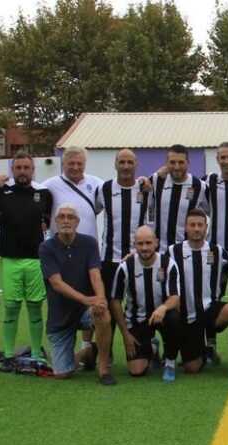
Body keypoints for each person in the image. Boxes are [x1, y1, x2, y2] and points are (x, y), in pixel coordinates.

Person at [0, 152, 53, 365]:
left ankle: (36, 354)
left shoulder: (43, 193)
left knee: (35, 307)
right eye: (18, 168)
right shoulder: (1, 191)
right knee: (12, 307)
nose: (22, 171)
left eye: (26, 167)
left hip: (35, 259)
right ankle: (8, 354)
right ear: (12, 170)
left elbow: (49, 220)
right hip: (10, 258)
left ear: (33, 170)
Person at [168, 209, 228, 379]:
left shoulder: (216, 251)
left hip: (210, 309)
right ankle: (205, 351)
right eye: (192, 225)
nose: (196, 229)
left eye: (200, 225)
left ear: (206, 228)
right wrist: (131, 258)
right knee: (192, 368)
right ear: (185, 228)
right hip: (187, 315)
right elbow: (155, 264)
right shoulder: (173, 251)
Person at [39, 204, 115, 385]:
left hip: (84, 312)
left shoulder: (89, 243)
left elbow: (95, 274)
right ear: (55, 222)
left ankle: (103, 369)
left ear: (78, 222)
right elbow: (56, 283)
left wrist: (100, 300)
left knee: (103, 314)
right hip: (60, 318)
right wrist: (87, 299)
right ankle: (87, 352)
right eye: (62, 217)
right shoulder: (46, 248)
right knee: (62, 374)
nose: (66, 221)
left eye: (70, 217)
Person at [95, 149, 150, 363]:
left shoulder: (145, 189)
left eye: (130, 162)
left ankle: (146, 349)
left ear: (136, 165)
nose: (126, 166)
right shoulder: (104, 189)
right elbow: (92, 211)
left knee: (142, 306)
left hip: (139, 260)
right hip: (110, 259)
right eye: (122, 162)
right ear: (115, 164)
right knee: (108, 307)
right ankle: (106, 354)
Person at [109, 226, 182, 381]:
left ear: (156, 242)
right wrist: (126, 334)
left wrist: (163, 308)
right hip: (137, 319)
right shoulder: (125, 267)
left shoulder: (168, 264)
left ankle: (169, 363)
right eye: (140, 243)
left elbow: (175, 298)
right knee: (136, 371)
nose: (144, 248)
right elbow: (115, 302)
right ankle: (152, 348)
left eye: (148, 243)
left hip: (162, 317)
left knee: (174, 318)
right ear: (134, 244)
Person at [150, 144, 208, 252]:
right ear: (166, 162)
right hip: (161, 251)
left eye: (181, 162)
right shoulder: (156, 180)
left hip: (187, 253)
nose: (176, 167)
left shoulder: (199, 186)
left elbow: (212, 212)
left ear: (188, 163)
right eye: (172, 162)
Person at [43, 146, 103, 239]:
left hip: (88, 245)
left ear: (85, 164)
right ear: (63, 164)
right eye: (71, 163)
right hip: (59, 245)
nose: (75, 167)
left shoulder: (97, 184)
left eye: (79, 163)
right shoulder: (49, 185)